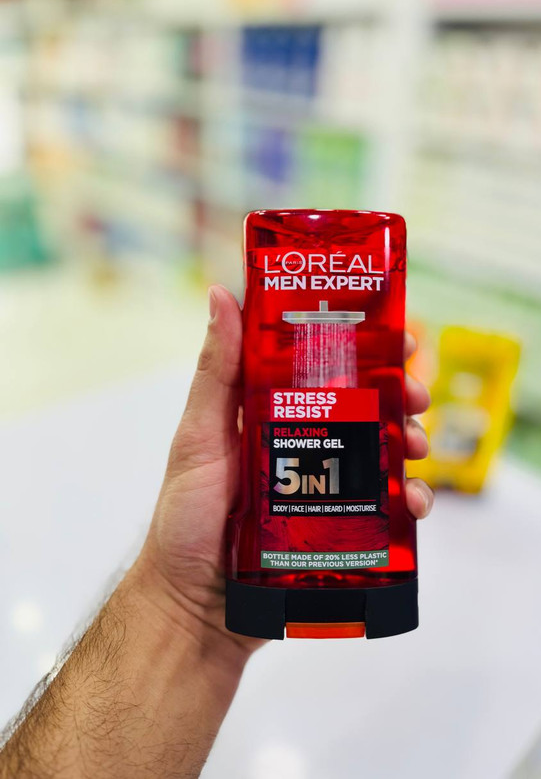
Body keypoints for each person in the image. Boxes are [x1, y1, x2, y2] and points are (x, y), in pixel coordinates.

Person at [0, 286, 434, 778]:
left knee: (376, 429)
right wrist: (179, 601)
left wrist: (180, 610)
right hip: (262, 573)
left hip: (342, 569)